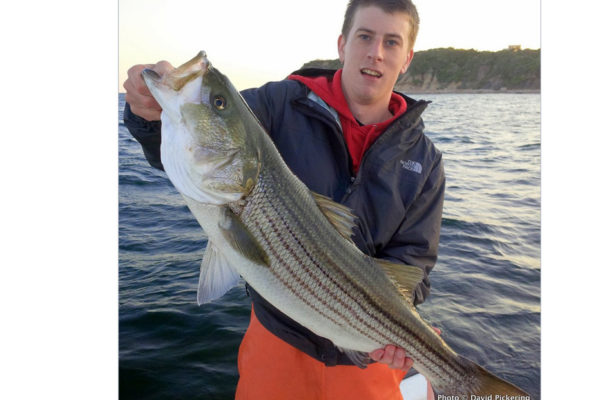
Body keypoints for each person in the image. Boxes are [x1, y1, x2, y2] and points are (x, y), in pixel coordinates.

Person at [123, 0, 445, 398]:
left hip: (368, 356)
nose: (375, 52)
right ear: (343, 44)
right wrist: (148, 116)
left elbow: (412, 262)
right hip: (278, 344)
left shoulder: (425, 159)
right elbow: (182, 148)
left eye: (391, 42)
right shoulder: (279, 104)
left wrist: (398, 329)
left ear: (407, 58)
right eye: (365, 36)